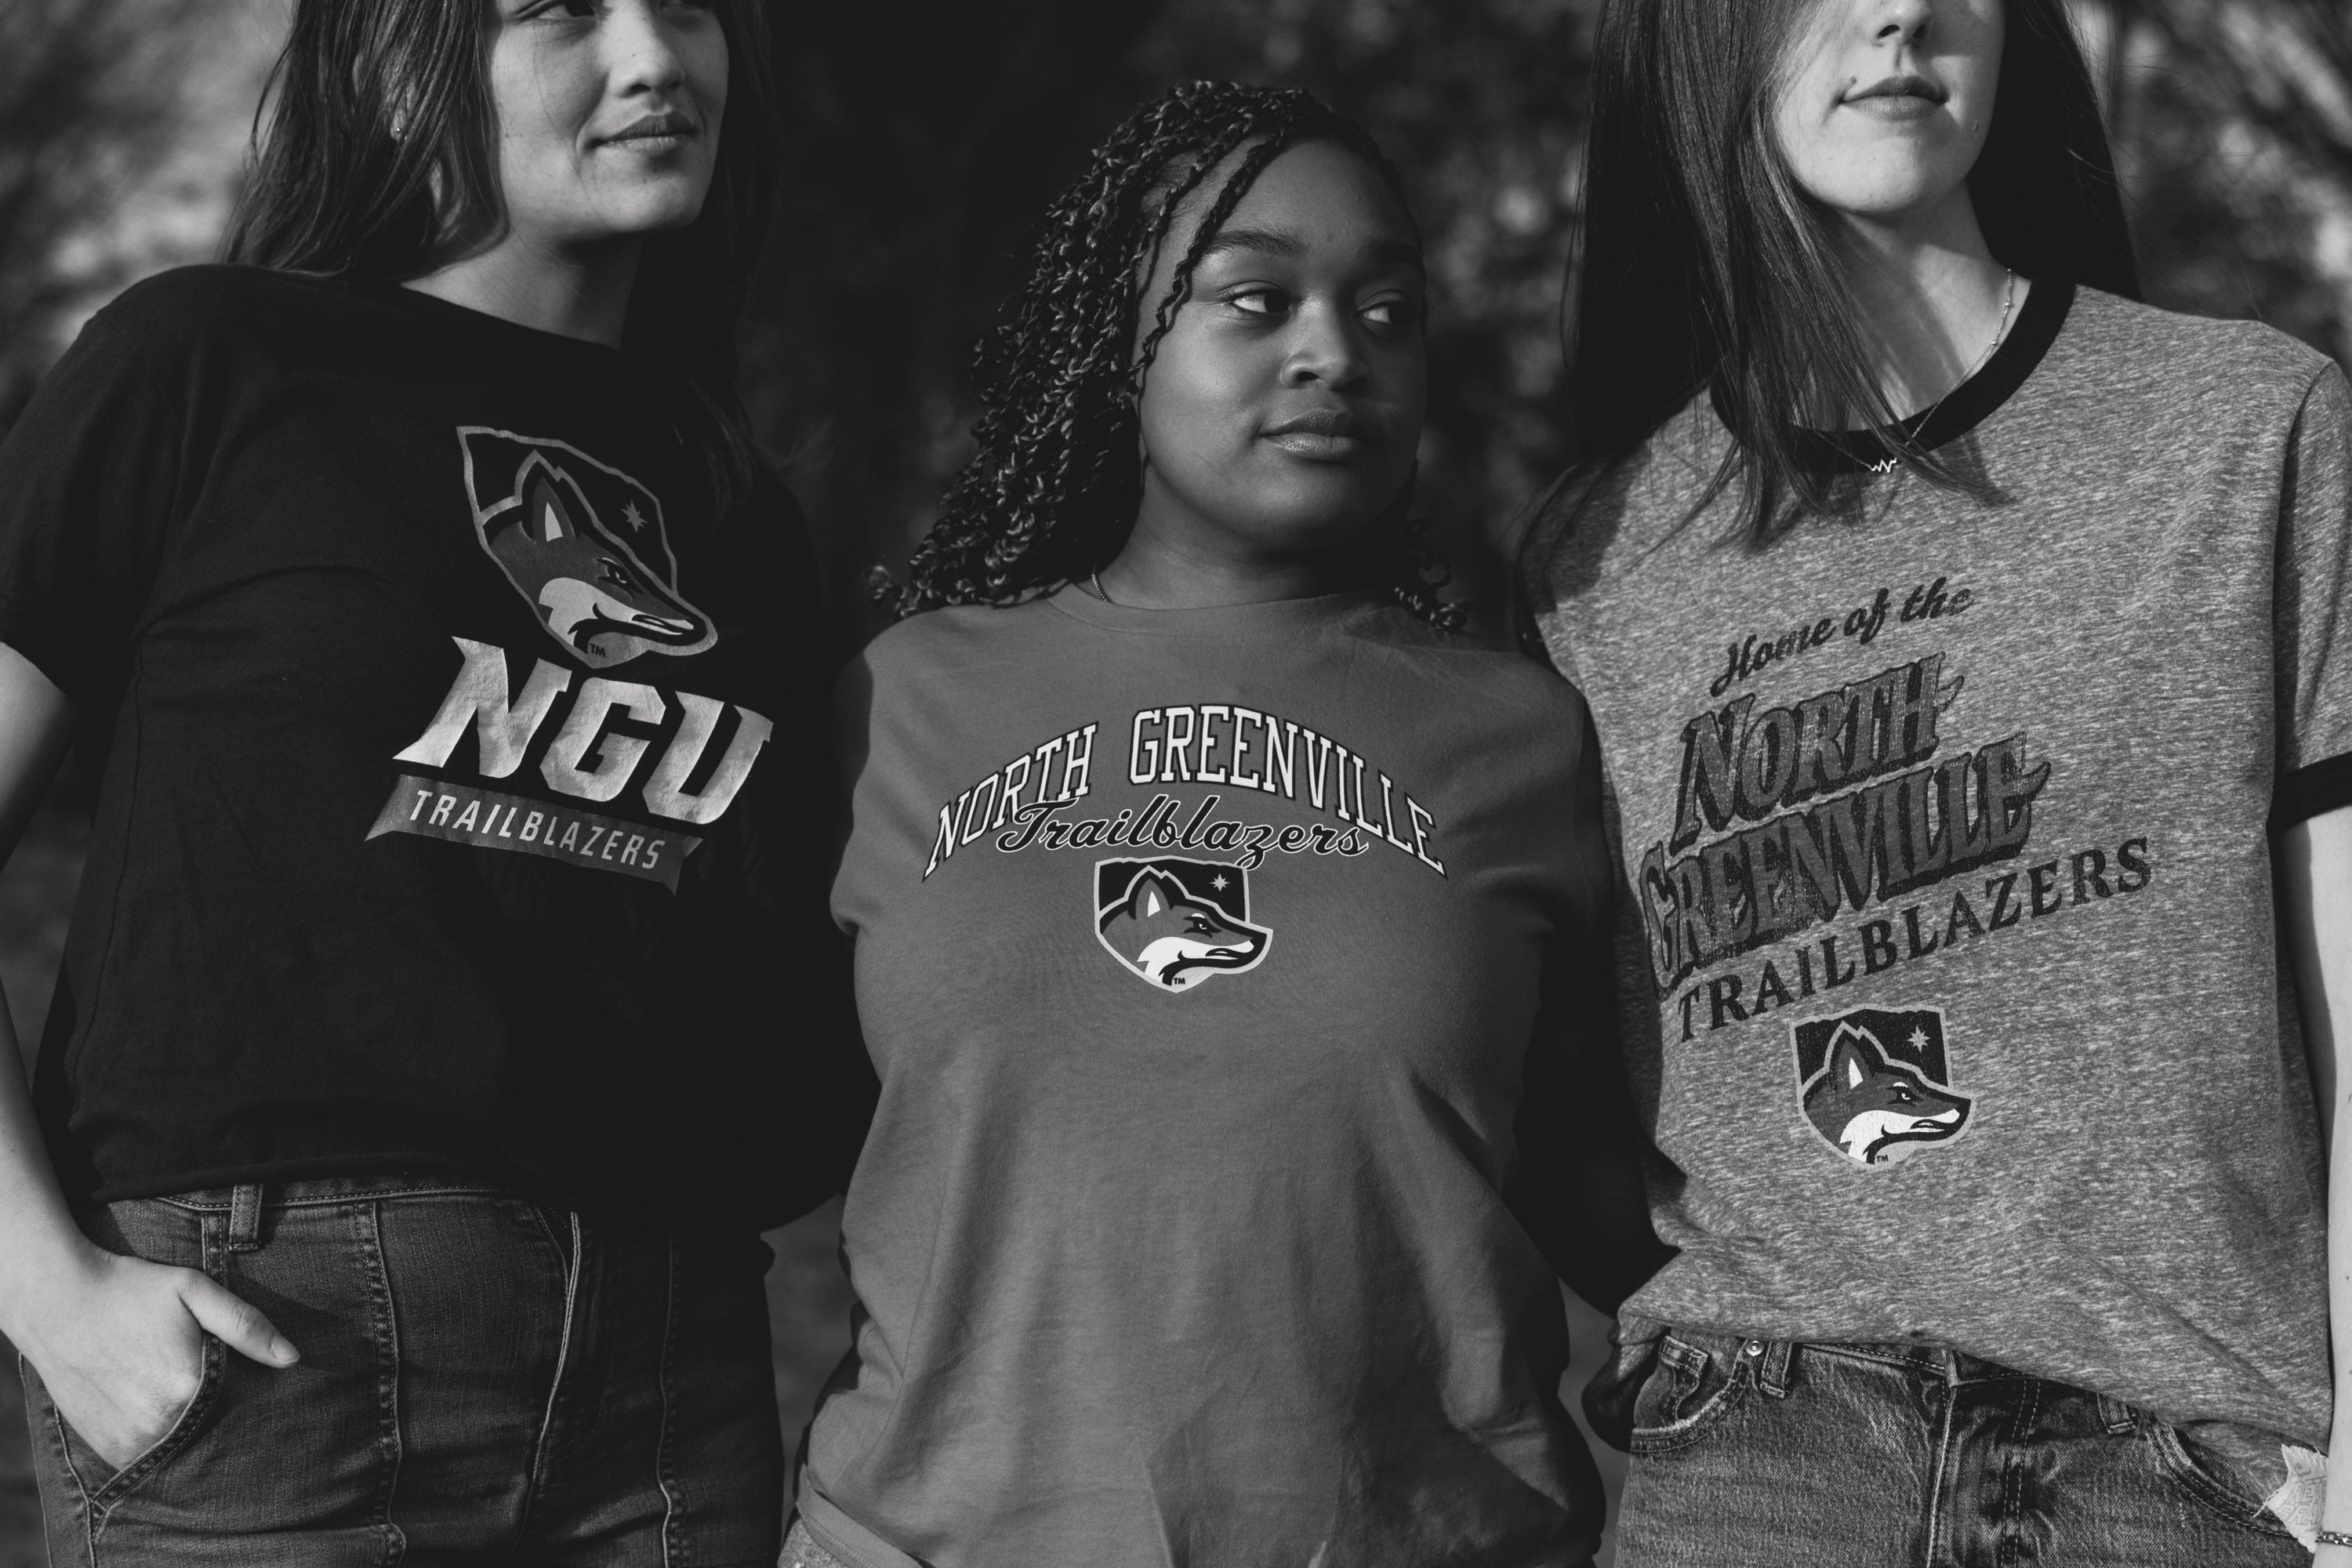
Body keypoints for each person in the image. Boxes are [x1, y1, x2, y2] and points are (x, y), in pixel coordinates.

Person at [0, 1, 862, 1562]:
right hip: (274, 1358)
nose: (656, 57)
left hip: (668, 1381)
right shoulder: (212, 359)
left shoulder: (732, 501)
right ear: (397, 76)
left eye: (685, 7)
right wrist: (42, 1288)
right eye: (560, 14)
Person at [784, 79, 1662, 1568]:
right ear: (1115, 345)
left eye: (1389, 313)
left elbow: (1621, 1180)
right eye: (1255, 299)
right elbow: (715, 1104)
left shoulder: (1529, 730)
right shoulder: (902, 700)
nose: (1335, 351)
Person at [1520, 0, 2352, 1563]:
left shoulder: (2249, 430)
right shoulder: (1593, 561)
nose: (1897, 14)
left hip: (2176, 1474)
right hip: (1756, 1457)